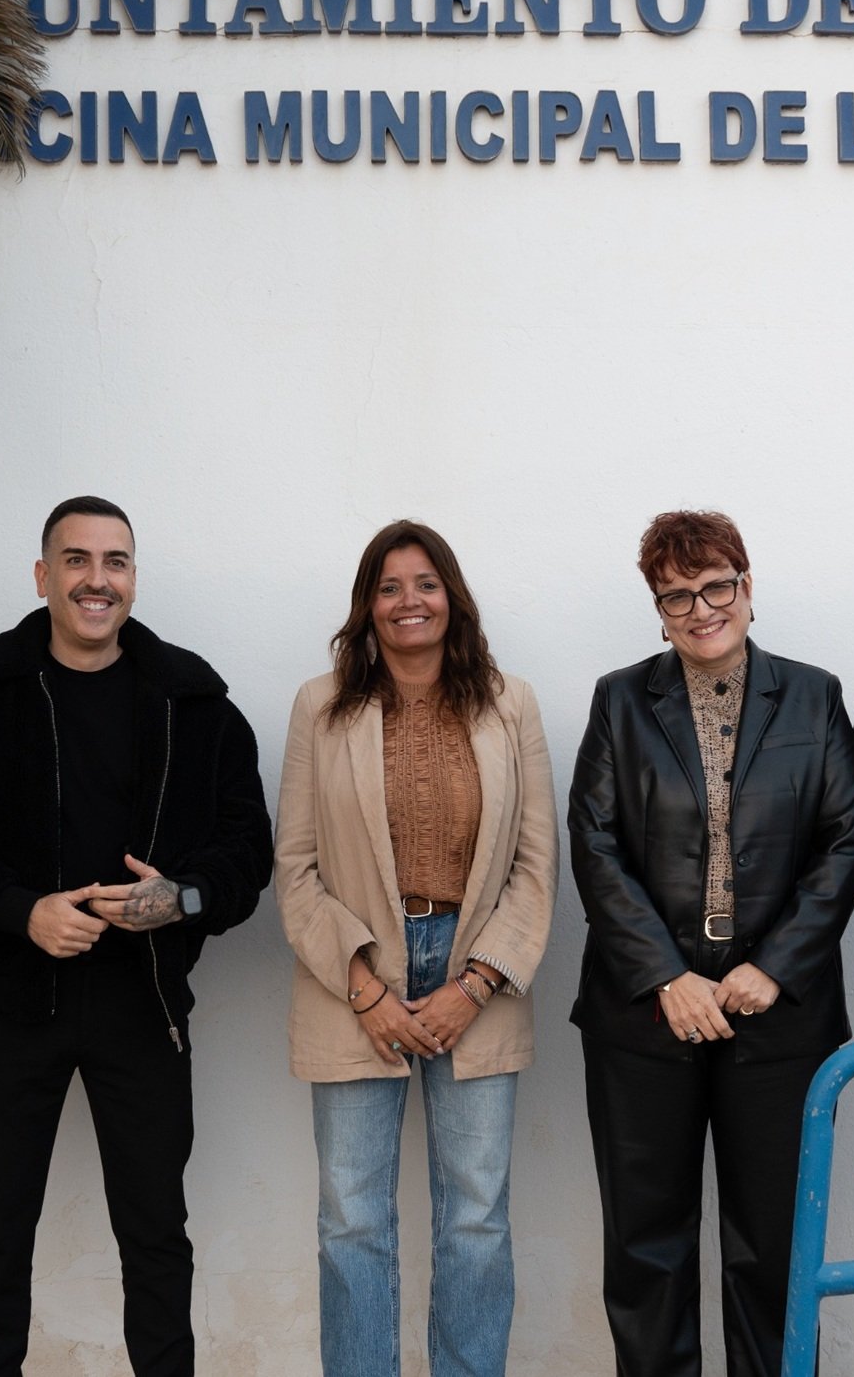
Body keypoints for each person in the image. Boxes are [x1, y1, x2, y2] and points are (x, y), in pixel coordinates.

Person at [0, 495, 273, 1377]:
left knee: (154, 1235)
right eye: (76, 560)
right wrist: (18, 910)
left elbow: (247, 848)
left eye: (115, 562)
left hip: (143, 1007)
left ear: (133, 579)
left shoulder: (195, 701)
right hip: (14, 1005)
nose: (96, 580)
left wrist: (180, 899)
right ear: (43, 576)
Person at [567, 509, 854, 1377]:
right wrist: (666, 976)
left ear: (747, 586)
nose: (701, 609)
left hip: (777, 1018)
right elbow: (595, 841)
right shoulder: (621, 699)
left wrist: (773, 967)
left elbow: (847, 838)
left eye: (716, 587)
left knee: (771, 1249)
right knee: (646, 1248)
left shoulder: (813, 694)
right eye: (677, 596)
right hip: (646, 1019)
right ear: (657, 609)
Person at [275, 520, 558, 1377]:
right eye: (390, 587)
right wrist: (363, 985)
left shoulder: (511, 703)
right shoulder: (320, 707)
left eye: (425, 583)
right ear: (367, 607)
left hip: (480, 973)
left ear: (453, 597)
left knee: (475, 1213)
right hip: (353, 979)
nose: (409, 601)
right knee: (352, 1217)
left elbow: (538, 865)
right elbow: (294, 867)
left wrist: (474, 984)